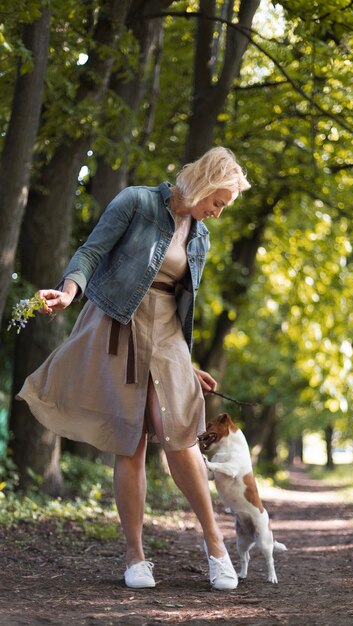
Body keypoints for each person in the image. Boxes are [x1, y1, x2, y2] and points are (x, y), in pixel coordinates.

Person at [17, 146, 251, 591]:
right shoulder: (137, 202)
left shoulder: (200, 235)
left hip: (166, 335)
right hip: (119, 324)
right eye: (217, 202)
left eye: (223, 207)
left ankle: (215, 545)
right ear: (203, 183)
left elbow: (182, 303)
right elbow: (91, 252)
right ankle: (135, 556)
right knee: (131, 440)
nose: (217, 213)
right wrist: (69, 292)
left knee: (178, 435)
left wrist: (186, 361)